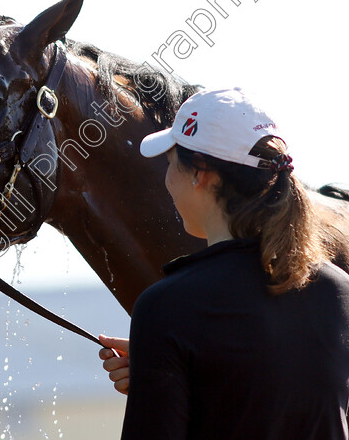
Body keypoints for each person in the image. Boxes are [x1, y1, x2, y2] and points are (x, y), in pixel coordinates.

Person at [98, 88, 349, 438]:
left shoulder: (167, 308)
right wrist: (168, 375)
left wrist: (162, 373)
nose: (167, 180)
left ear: (200, 173)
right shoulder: (339, 291)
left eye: (170, 163)